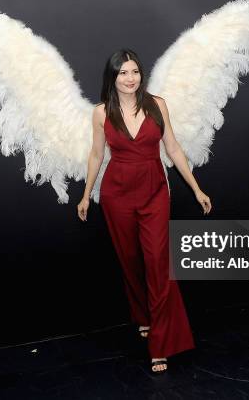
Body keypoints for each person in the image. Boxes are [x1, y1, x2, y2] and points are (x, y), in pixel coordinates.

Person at [77, 49, 212, 374]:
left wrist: (196, 188)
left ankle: (160, 344)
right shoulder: (100, 113)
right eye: (123, 72)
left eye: (134, 71)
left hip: (154, 193)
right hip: (116, 195)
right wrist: (85, 195)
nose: (130, 78)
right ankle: (142, 316)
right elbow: (96, 155)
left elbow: (174, 148)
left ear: (141, 74)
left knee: (156, 263)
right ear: (113, 77)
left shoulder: (157, 105)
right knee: (131, 260)